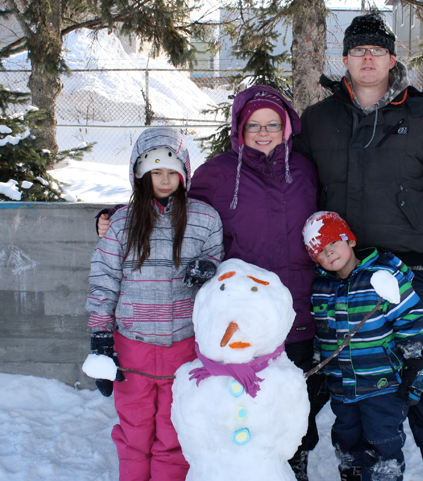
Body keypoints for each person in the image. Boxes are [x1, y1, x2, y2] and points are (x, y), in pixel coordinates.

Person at [96, 86, 321, 480]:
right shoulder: (217, 172)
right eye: (254, 125)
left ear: (287, 128)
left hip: (291, 309)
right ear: (239, 128)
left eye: (272, 124)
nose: (263, 132)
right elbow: (172, 203)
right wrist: (118, 215)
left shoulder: (304, 169)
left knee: (282, 407)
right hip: (227, 317)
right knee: (192, 417)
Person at [293, 13, 423, 481]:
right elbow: (284, 182)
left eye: (376, 50)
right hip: (340, 282)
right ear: (345, 59)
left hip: (412, 278)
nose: (368, 58)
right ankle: (326, 468)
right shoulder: (319, 119)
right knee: (337, 388)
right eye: (359, 51)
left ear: (392, 58)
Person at [86, 127, 224, 481]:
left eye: (171, 172)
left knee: (173, 431)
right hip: (134, 347)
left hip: (183, 346)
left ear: (184, 173)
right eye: (155, 172)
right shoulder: (121, 223)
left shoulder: (205, 218)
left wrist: (207, 268)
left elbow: (217, 264)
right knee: (135, 431)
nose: (164, 180)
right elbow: (104, 279)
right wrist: (100, 338)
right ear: (140, 174)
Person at [302, 211, 423, 481]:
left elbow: (409, 316)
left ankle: (384, 474)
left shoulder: (381, 276)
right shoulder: (321, 287)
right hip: (342, 384)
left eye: (333, 243)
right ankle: (352, 472)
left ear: (350, 241)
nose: (329, 253)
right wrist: (317, 363)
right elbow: (321, 332)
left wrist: (413, 359)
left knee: (383, 438)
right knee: (346, 437)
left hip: (381, 383)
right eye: (320, 251)